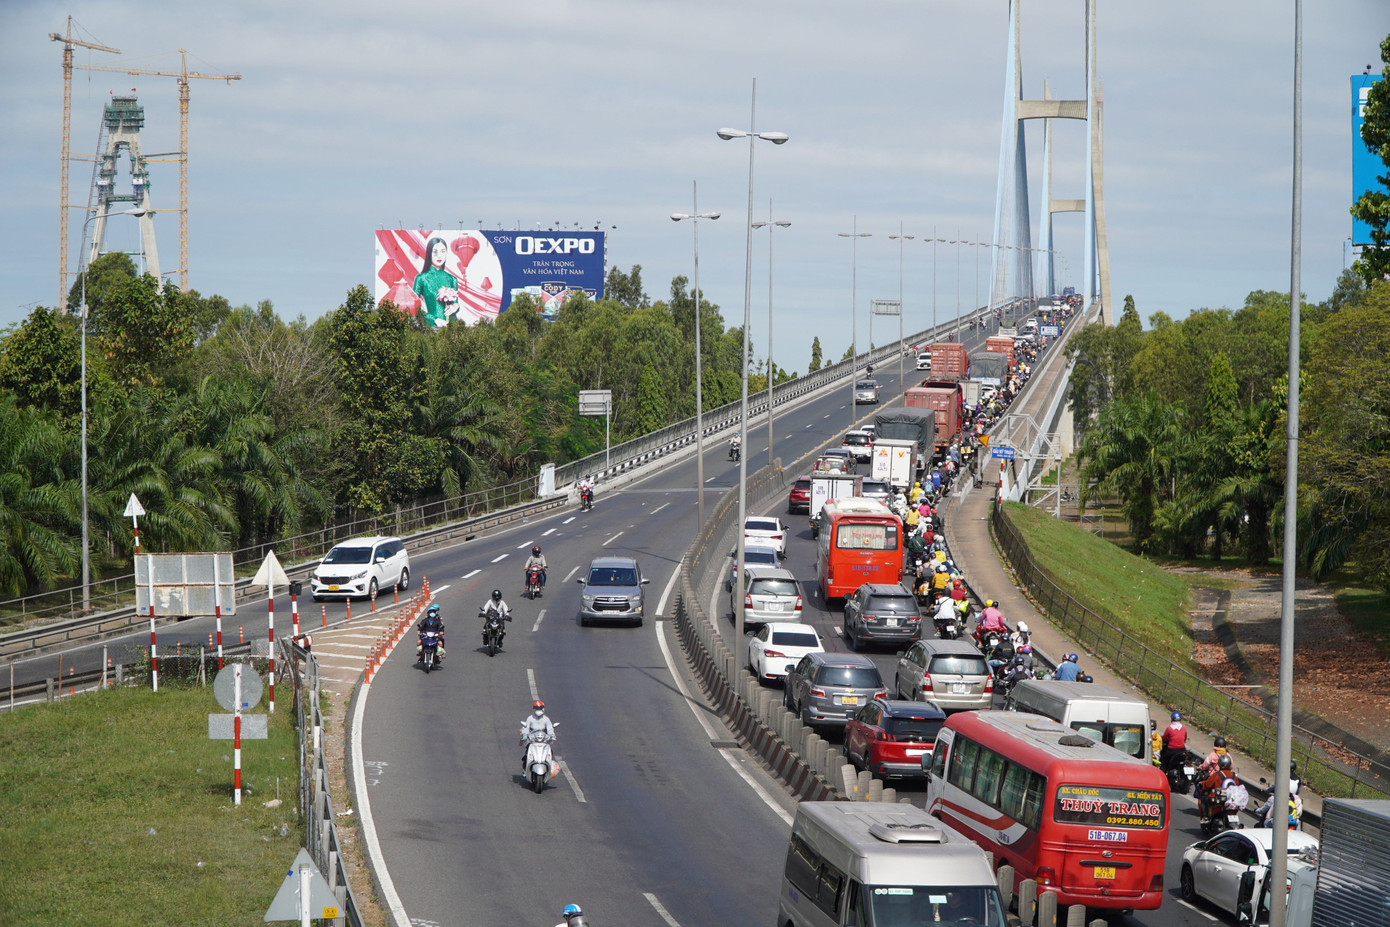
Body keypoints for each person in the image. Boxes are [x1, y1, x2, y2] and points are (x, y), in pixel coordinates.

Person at [412, 236, 462, 328]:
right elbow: (413, 307)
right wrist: (433, 319)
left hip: (452, 327)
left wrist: (456, 306)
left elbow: (455, 303)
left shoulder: (452, 279)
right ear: (429, 254)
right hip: (433, 327)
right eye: (435, 252)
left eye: (443, 251)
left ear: (446, 253)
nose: (439, 256)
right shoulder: (421, 278)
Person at [520, 699, 556, 771]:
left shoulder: (546, 719)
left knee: (550, 752)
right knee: (527, 753)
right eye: (536, 708)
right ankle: (525, 768)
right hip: (532, 741)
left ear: (543, 709)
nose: (538, 710)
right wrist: (525, 734)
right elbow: (526, 728)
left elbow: (550, 729)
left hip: (543, 740)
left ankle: (549, 767)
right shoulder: (530, 718)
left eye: (539, 708)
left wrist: (552, 735)